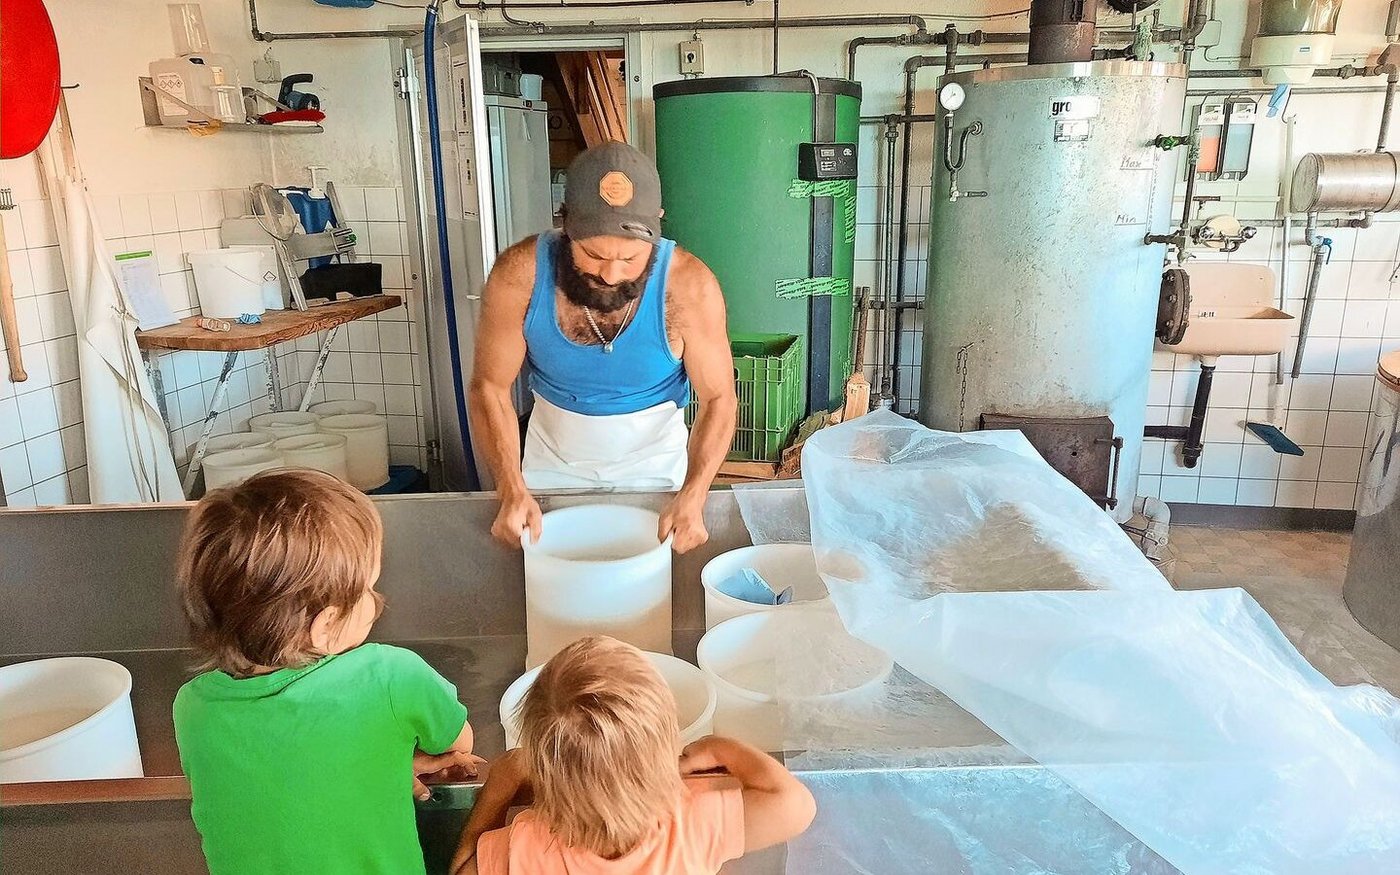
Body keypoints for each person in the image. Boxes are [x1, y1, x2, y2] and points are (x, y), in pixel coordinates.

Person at [172, 469, 480, 875]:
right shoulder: (390, 677)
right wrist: (388, 764)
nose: (376, 599)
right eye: (369, 588)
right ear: (327, 626)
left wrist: (374, 767)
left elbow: (283, 782)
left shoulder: (192, 707)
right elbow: (457, 743)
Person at [469, 142, 737, 554]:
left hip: (655, 468)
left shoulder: (690, 286)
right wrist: (509, 487)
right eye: (593, 255)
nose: (611, 275)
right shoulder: (519, 274)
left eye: (630, 258)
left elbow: (719, 397)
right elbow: (489, 386)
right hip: (551, 466)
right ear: (565, 225)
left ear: (657, 227)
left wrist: (695, 492)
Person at [449, 635, 816, 874]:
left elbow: (462, 866)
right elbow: (796, 805)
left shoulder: (524, 847)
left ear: (543, 775)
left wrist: (504, 779)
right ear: (664, 754)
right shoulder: (692, 824)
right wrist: (721, 748)